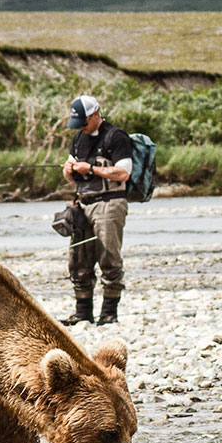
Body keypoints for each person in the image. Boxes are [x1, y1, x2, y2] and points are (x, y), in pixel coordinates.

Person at [60, 95, 132, 325]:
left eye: (83, 121)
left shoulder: (116, 136)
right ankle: (83, 312)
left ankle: (109, 312)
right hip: (83, 204)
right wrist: (70, 169)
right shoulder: (79, 138)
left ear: (95, 114)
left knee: (109, 257)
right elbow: (69, 177)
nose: (80, 126)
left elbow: (123, 173)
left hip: (110, 204)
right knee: (78, 258)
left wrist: (90, 168)